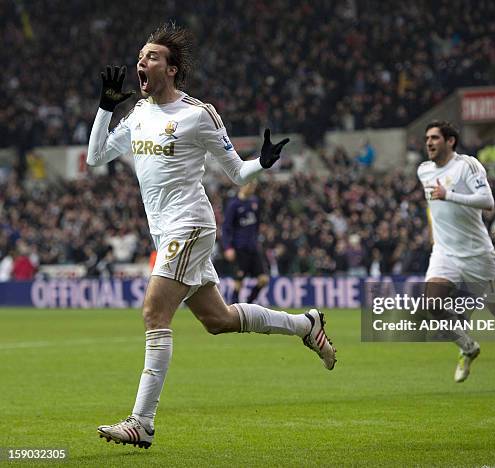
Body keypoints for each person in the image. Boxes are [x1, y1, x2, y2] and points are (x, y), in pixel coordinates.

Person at [87, 23, 336, 449]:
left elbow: (237, 172)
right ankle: (304, 324)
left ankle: (141, 422)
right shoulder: (139, 114)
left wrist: (263, 162)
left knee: (154, 314)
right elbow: (95, 158)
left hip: (191, 224)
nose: (140, 63)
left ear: (172, 69)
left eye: (151, 57)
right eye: (141, 56)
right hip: (165, 231)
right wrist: (106, 108)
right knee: (217, 321)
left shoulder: (197, 114)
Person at [417, 121, 495, 391]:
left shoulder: (467, 166)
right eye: (427, 138)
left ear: (450, 141)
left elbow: (487, 201)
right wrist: (435, 234)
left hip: (477, 254)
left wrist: (450, 194)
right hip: (445, 252)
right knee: (431, 303)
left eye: (434, 138)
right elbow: (433, 207)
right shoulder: (423, 170)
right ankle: (468, 348)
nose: (429, 143)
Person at [222, 181, 269, 304]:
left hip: (253, 247)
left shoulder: (255, 202)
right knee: (239, 282)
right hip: (239, 248)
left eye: (253, 185)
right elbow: (226, 227)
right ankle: (233, 307)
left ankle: (249, 303)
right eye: (250, 185)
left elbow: (258, 223)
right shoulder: (234, 205)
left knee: (263, 279)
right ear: (242, 186)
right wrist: (228, 247)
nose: (252, 188)